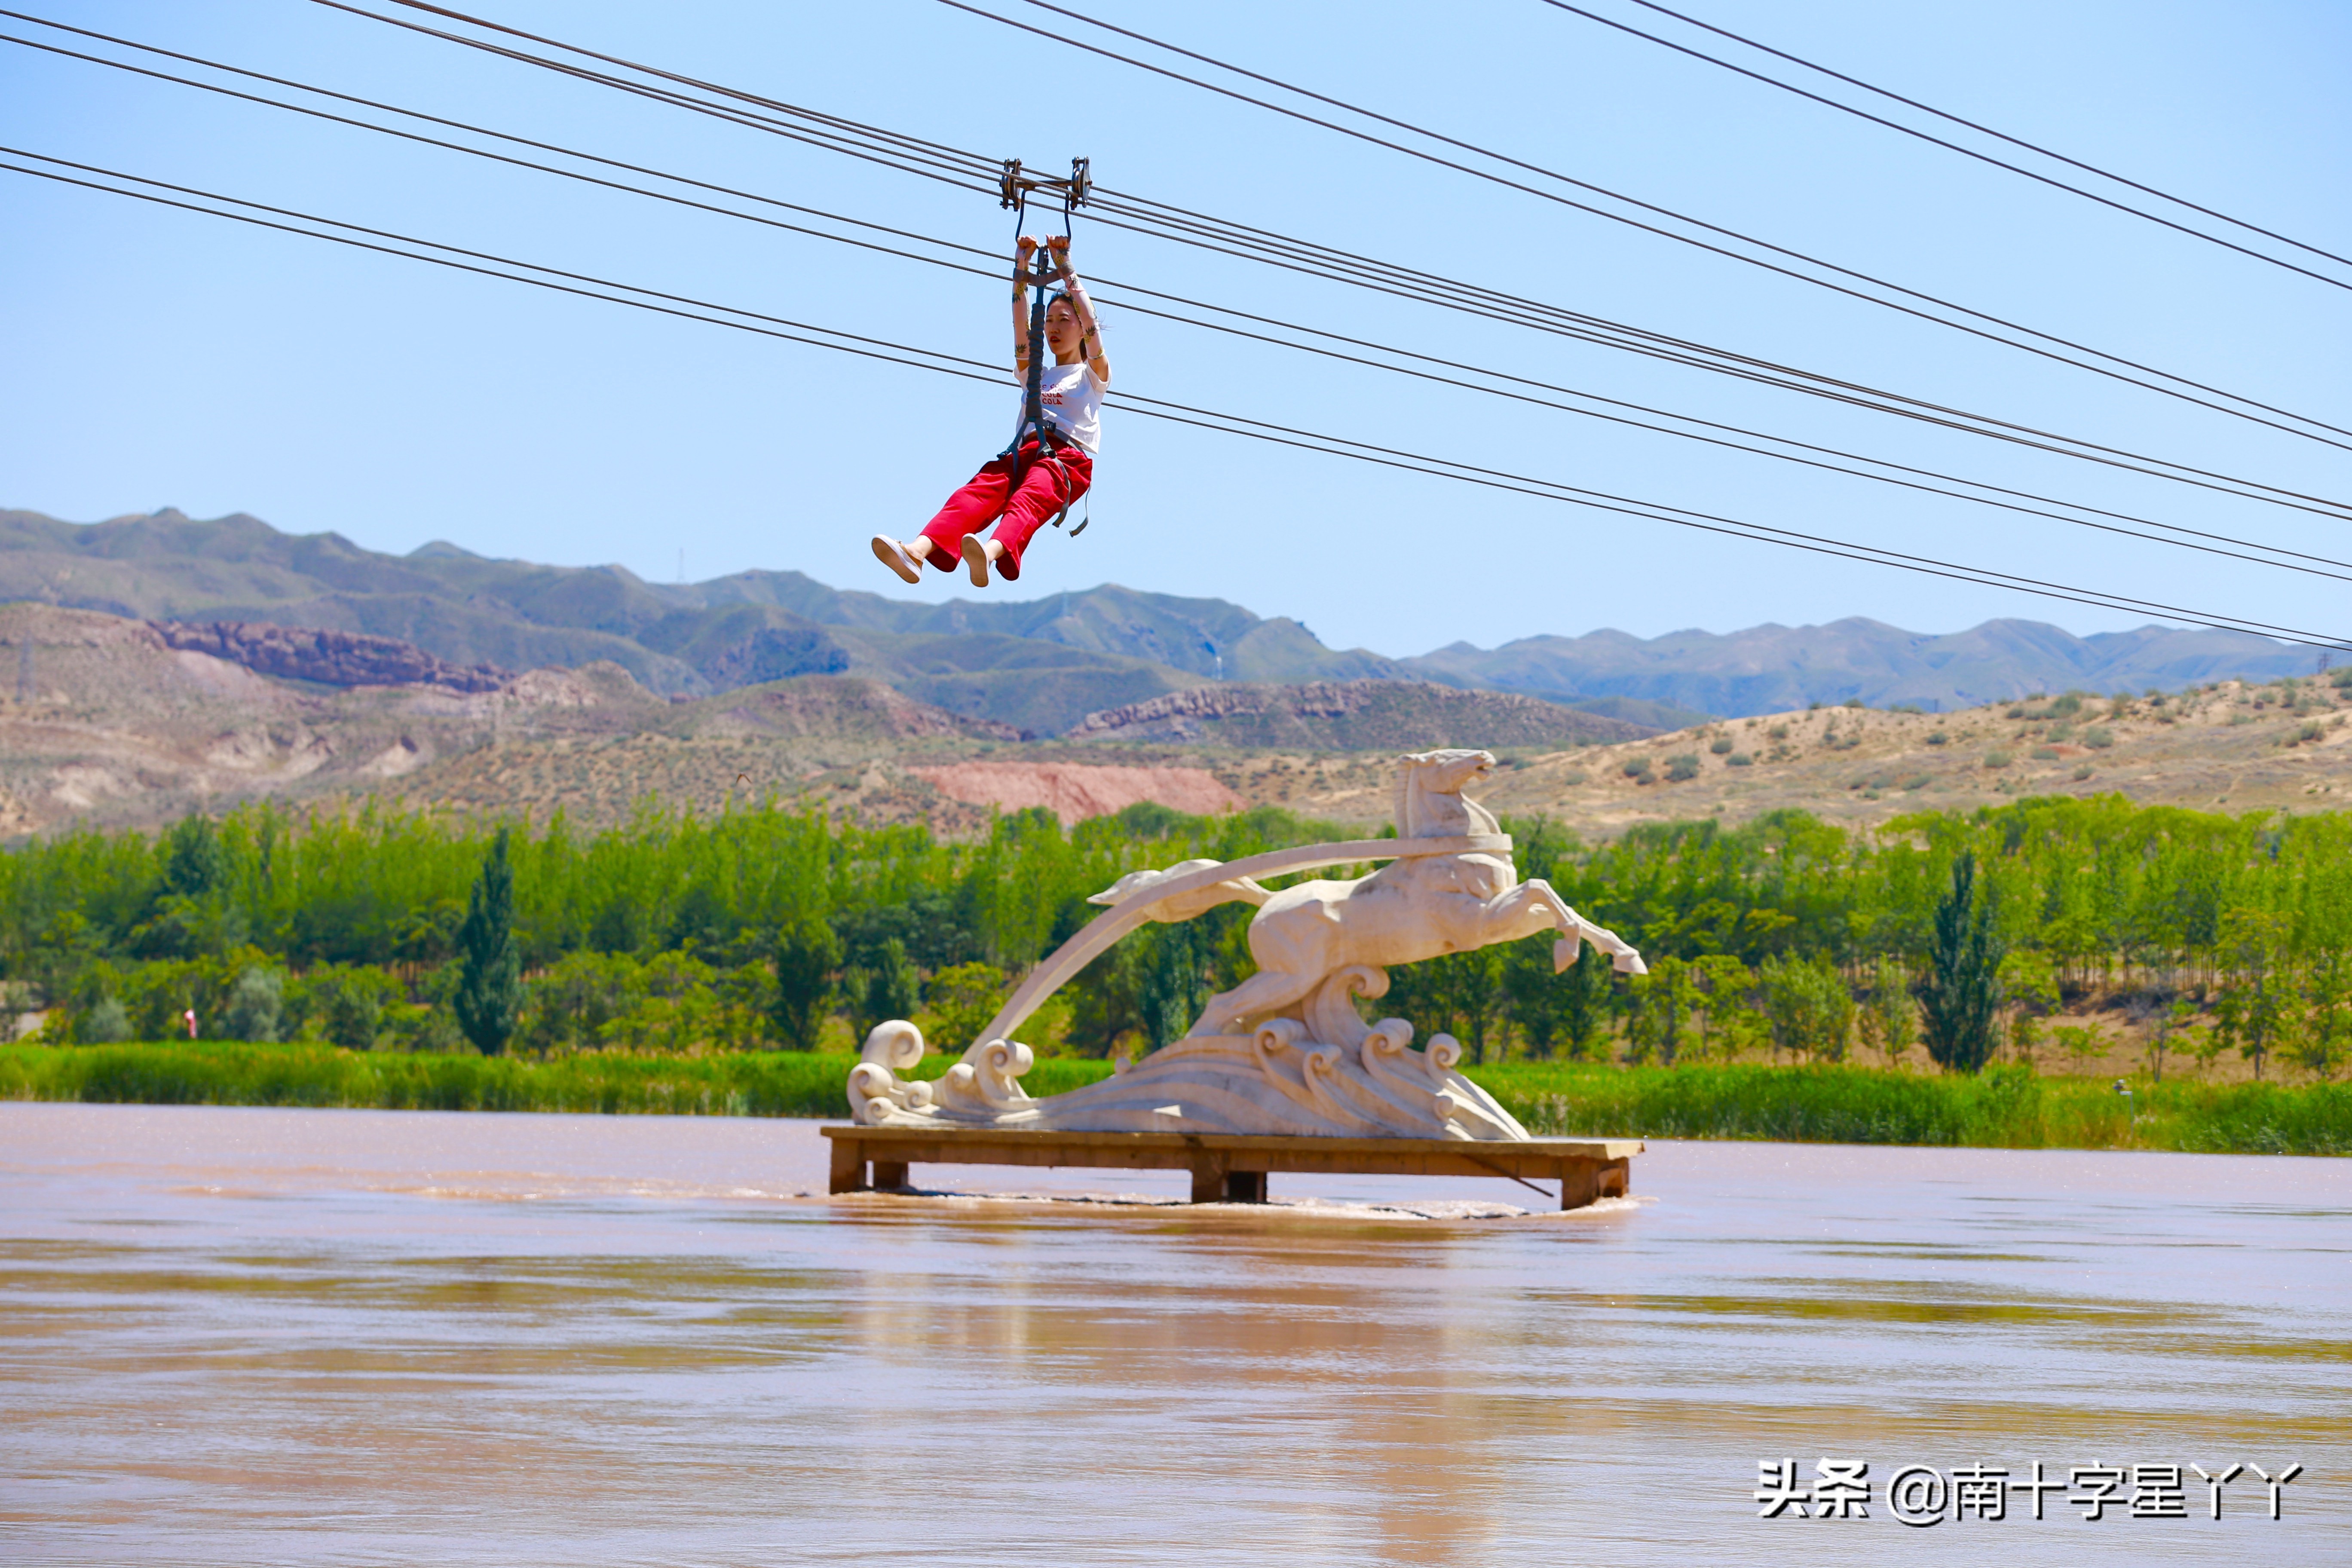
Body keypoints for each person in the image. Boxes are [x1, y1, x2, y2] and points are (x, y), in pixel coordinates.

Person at [872, 234, 1108, 588]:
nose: (1054, 328)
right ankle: (918, 552)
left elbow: (1092, 323)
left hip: (1065, 459)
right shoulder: (1036, 373)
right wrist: (1021, 271)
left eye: (1064, 320)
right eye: (1050, 321)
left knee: (1031, 497)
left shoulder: (1092, 375)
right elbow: (1020, 330)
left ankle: (992, 551)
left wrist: (1066, 269)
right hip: (1025, 451)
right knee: (977, 491)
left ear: (1082, 331)